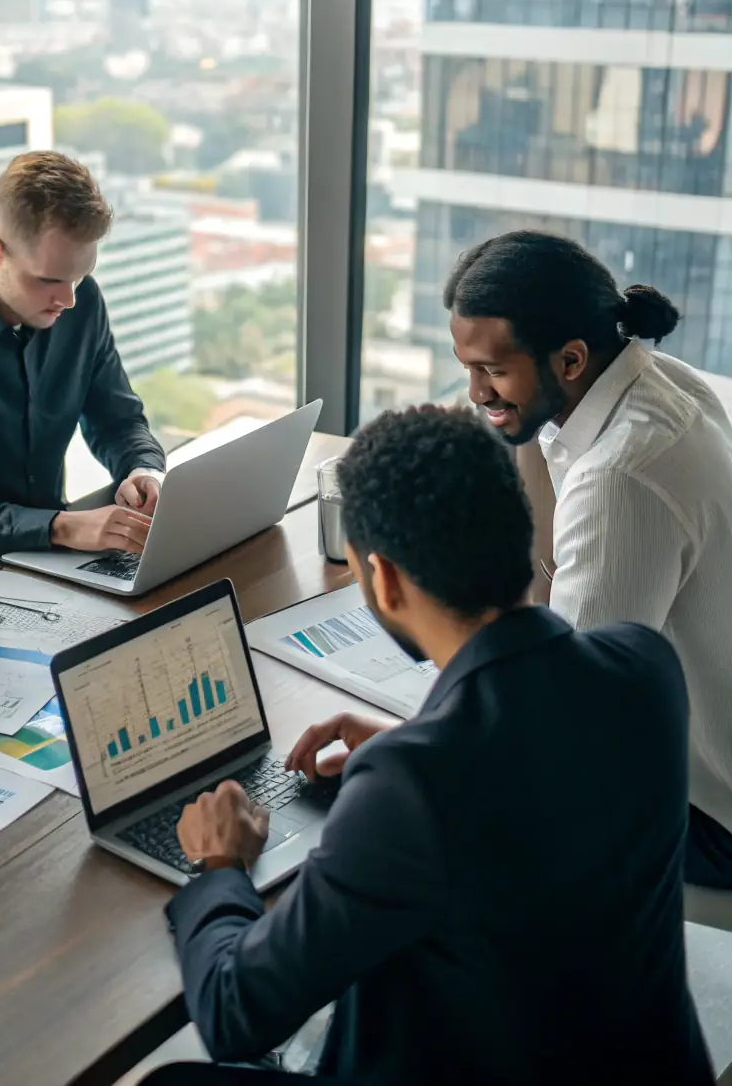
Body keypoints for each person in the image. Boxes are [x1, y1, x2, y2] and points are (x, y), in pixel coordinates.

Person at [167, 407, 712, 1086]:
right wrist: (413, 741)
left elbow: (232, 1013)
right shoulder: (644, 665)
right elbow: (535, 766)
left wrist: (222, 862)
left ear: (385, 579)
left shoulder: (412, 786)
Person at [445, 229, 732, 890]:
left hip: (709, 812)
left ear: (570, 360)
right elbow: (543, 576)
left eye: (491, 370)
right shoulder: (654, 381)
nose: (475, 392)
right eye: (467, 367)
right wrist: (515, 416)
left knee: (430, 818)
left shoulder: (623, 475)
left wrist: (418, 749)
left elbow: (565, 726)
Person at [0, 151, 166, 563]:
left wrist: (143, 469)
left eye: (80, 276)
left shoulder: (80, 301)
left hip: (52, 560)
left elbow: (117, 419)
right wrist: (60, 527)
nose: (68, 299)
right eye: (50, 280)